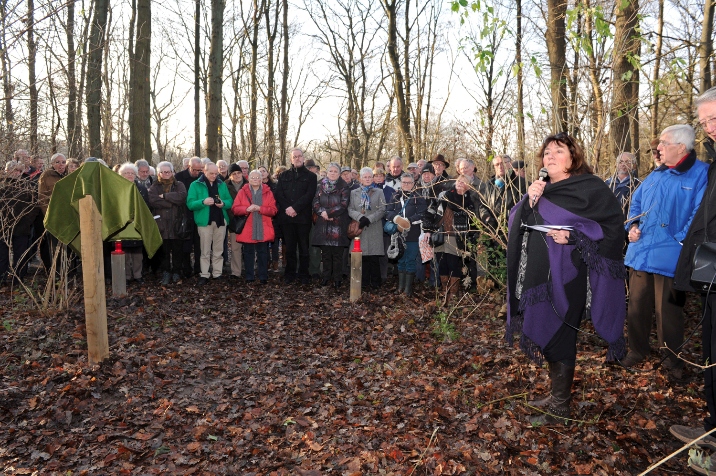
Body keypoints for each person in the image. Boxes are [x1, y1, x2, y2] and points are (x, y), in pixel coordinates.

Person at [506, 132, 627, 425]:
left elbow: (612, 230)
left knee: (561, 332)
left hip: (570, 274)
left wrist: (573, 237)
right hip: (538, 274)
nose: (549, 156)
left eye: (558, 151)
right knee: (545, 328)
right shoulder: (540, 189)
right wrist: (530, 201)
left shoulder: (591, 188)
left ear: (573, 157)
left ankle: (561, 406)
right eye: (546, 152)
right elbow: (516, 223)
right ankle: (556, 394)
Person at [620, 124, 708, 379]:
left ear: (681, 147)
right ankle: (637, 351)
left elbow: (699, 214)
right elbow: (635, 203)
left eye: (663, 143)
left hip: (672, 258)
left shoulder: (701, 174)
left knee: (668, 313)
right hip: (641, 252)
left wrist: (680, 242)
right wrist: (633, 226)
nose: (658, 148)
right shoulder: (655, 174)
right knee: (636, 307)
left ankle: (673, 363)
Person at [671, 86, 716, 466]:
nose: (710, 128)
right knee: (711, 350)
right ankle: (713, 424)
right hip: (710, 272)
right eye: (705, 123)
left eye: (714, 118)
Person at [274, 148, 317, 285]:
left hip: (303, 218)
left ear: (303, 158)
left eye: (300, 156)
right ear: (291, 159)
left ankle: (304, 274)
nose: (297, 158)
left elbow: (309, 195)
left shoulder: (311, 177)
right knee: (290, 248)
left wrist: (295, 208)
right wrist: (288, 208)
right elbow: (279, 194)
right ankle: (290, 273)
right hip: (287, 218)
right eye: (295, 157)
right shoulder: (284, 176)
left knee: (304, 248)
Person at [186, 162, 233, 285]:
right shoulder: (195, 185)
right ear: (204, 172)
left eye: (216, 174)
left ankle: (217, 273)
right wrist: (203, 202)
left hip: (220, 220)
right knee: (205, 250)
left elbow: (230, 201)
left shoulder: (221, 184)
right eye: (211, 173)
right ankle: (204, 274)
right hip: (204, 221)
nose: (214, 176)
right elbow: (190, 204)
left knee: (219, 249)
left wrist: (223, 204)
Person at [386, 173, 428, 296]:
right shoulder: (395, 196)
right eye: (404, 182)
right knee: (400, 260)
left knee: (410, 260)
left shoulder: (418, 197)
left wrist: (408, 221)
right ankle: (400, 287)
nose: (406, 185)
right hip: (398, 234)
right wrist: (397, 219)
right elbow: (387, 212)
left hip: (413, 234)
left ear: (413, 184)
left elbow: (422, 214)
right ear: (400, 183)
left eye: (409, 182)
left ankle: (408, 289)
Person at [232, 170, 277, 284]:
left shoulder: (268, 192)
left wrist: (260, 208)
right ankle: (249, 276)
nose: (255, 179)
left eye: (258, 177)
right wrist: (246, 209)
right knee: (248, 253)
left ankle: (263, 276)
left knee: (263, 253)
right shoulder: (243, 192)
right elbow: (235, 209)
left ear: (261, 179)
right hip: (248, 227)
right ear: (249, 179)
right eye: (253, 177)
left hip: (263, 227)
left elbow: (273, 210)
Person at [312, 163, 350, 288]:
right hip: (323, 223)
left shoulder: (344, 187)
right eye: (330, 171)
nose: (333, 173)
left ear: (339, 174)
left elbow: (343, 204)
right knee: (326, 254)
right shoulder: (319, 185)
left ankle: (337, 278)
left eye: (335, 171)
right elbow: (315, 202)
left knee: (338, 254)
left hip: (338, 224)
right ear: (327, 172)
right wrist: (322, 212)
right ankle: (326, 277)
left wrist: (329, 212)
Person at [0, 161, 39, 286]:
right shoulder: (1, 186)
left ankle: (18, 280)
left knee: (20, 256)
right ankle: (2, 278)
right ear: (6, 171)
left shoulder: (27, 186)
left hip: (21, 227)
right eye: (13, 170)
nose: (16, 173)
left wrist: (26, 222)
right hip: (2, 228)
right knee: (2, 257)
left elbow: (34, 207)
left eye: (18, 170)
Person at [149, 162, 188, 285]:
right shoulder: (154, 186)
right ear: (159, 173)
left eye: (168, 171)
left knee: (177, 250)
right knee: (164, 251)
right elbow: (153, 201)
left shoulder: (179, 185)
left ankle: (176, 272)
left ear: (172, 172)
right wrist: (172, 202)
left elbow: (182, 197)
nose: (166, 174)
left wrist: (164, 196)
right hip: (161, 224)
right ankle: (166, 272)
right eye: (163, 172)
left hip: (177, 223)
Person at [348, 167, 386, 291]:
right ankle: (363, 283)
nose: (368, 179)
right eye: (365, 177)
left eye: (370, 177)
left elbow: (382, 209)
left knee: (374, 257)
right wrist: (360, 217)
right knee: (362, 256)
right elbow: (350, 209)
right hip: (360, 228)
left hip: (374, 227)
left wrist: (369, 219)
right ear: (361, 178)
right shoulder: (354, 193)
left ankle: (375, 283)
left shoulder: (379, 192)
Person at [118, 163, 150, 284]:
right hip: (123, 224)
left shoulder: (141, 188)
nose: (130, 175)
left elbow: (146, 205)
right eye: (127, 173)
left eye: (132, 173)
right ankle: (126, 276)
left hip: (137, 223)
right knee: (124, 251)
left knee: (137, 252)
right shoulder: (118, 188)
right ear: (121, 174)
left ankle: (138, 275)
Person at [37, 153, 67, 273]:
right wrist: (49, 215)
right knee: (53, 246)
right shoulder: (46, 176)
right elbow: (42, 198)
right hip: (52, 217)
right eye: (58, 162)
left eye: (63, 162)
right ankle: (53, 270)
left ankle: (65, 270)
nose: (61, 165)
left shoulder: (68, 175)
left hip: (66, 217)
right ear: (52, 164)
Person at [175, 156, 204, 277]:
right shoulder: (179, 177)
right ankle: (186, 269)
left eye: (199, 170)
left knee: (199, 245)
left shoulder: (203, 178)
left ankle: (199, 269)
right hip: (184, 216)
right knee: (185, 245)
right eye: (194, 170)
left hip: (199, 214)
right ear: (188, 167)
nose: (197, 173)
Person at [373, 168, 395, 283]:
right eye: (376, 176)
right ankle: (374, 275)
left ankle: (383, 276)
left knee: (384, 253)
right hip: (372, 226)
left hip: (384, 225)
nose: (378, 178)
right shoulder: (369, 189)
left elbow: (391, 207)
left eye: (380, 176)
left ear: (384, 177)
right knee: (373, 252)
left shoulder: (390, 190)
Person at [605, 152, 641, 221]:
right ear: (616, 164)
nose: (623, 165)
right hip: (609, 225)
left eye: (627, 162)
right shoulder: (606, 184)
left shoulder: (638, 185)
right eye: (620, 162)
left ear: (634, 165)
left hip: (628, 226)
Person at [225, 164, 246, 280]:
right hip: (233, 219)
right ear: (230, 176)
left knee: (249, 247)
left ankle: (249, 269)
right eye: (234, 174)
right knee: (235, 247)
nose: (237, 175)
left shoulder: (248, 184)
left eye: (238, 173)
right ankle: (236, 272)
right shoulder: (225, 186)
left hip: (248, 219)